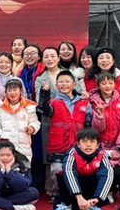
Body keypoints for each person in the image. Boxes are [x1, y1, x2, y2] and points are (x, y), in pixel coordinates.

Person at [38, 70, 90, 198]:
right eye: (60, 82)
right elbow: (43, 110)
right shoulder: (53, 102)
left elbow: (89, 123)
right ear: (56, 85)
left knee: (77, 170)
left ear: (73, 84)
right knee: (57, 171)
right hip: (58, 144)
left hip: (78, 144)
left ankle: (74, 195)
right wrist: (44, 94)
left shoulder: (83, 102)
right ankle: (58, 195)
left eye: (67, 81)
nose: (64, 84)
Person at [89, 72, 120, 205]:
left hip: (118, 146)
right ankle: (101, 192)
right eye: (104, 83)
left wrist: (119, 148)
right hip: (100, 146)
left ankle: (112, 191)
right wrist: (100, 116)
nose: (107, 86)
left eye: (110, 83)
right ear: (98, 85)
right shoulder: (92, 103)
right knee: (100, 170)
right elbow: (96, 129)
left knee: (117, 172)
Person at [53, 128, 113, 210]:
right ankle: (65, 205)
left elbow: (107, 176)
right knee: (64, 175)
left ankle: (92, 206)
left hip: (90, 191)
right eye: (84, 141)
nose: (88, 145)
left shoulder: (103, 155)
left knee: (103, 176)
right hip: (73, 192)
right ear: (78, 144)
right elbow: (69, 173)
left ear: (97, 145)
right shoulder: (71, 153)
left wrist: (98, 198)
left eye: (92, 142)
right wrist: (78, 196)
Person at [0, 78, 39, 162]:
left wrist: (32, 128)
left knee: (24, 167)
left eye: (15, 90)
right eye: (9, 90)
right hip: (5, 147)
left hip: (23, 146)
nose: (12, 93)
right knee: (6, 167)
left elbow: (34, 121)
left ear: (21, 91)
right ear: (5, 92)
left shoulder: (28, 106)